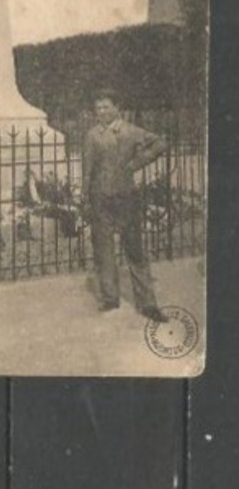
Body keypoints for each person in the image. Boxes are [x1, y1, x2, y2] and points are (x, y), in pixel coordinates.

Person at [81, 93, 168, 321]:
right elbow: (87, 169)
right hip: (100, 199)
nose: (102, 112)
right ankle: (110, 299)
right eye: (98, 108)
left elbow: (160, 143)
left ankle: (148, 304)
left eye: (106, 107)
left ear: (116, 108)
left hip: (126, 198)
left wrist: (136, 163)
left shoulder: (130, 131)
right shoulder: (92, 135)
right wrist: (85, 196)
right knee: (104, 250)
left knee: (135, 249)